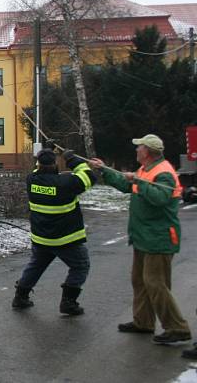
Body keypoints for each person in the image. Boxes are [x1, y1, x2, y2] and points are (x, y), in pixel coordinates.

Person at [89, 134, 192, 345]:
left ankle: (177, 328)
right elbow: (128, 185)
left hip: (159, 237)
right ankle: (143, 322)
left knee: (156, 283)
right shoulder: (146, 170)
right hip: (143, 236)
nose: (136, 150)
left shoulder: (163, 173)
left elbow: (159, 198)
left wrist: (138, 181)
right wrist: (104, 170)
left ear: (147, 152)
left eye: (139, 147)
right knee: (140, 281)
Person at [12, 147, 96, 315]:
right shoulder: (66, 184)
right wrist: (71, 159)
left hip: (42, 238)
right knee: (80, 266)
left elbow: (39, 169)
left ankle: (20, 297)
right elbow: (89, 177)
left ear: (38, 164)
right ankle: (68, 302)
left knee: (36, 265)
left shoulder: (32, 180)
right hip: (66, 239)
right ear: (55, 164)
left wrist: (47, 149)